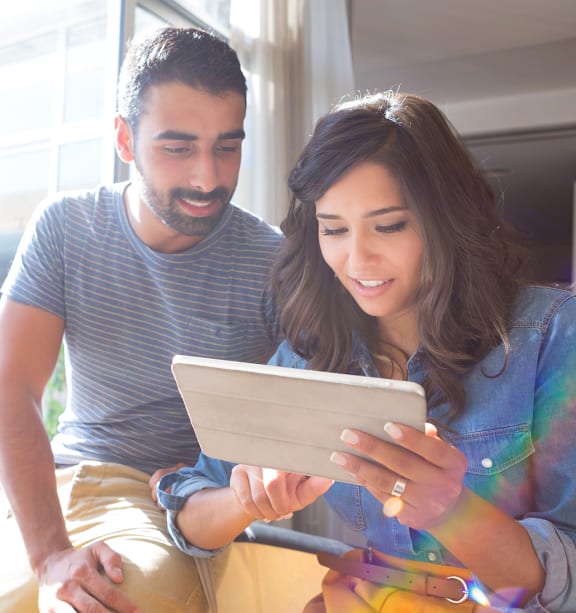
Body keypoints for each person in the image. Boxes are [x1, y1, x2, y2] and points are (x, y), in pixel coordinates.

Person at [154, 91, 576, 612]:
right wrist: (247, 499)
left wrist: (451, 509)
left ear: (446, 219)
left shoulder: (551, 334)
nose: (358, 260)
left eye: (390, 225)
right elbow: (192, 518)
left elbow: (567, 575)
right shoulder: (309, 355)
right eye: (333, 229)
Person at [0, 26, 283, 613]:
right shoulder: (66, 228)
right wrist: (50, 551)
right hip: (56, 486)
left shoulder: (273, 261)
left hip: (167, 505)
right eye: (178, 148)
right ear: (124, 140)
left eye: (227, 147)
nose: (208, 178)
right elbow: (10, 386)